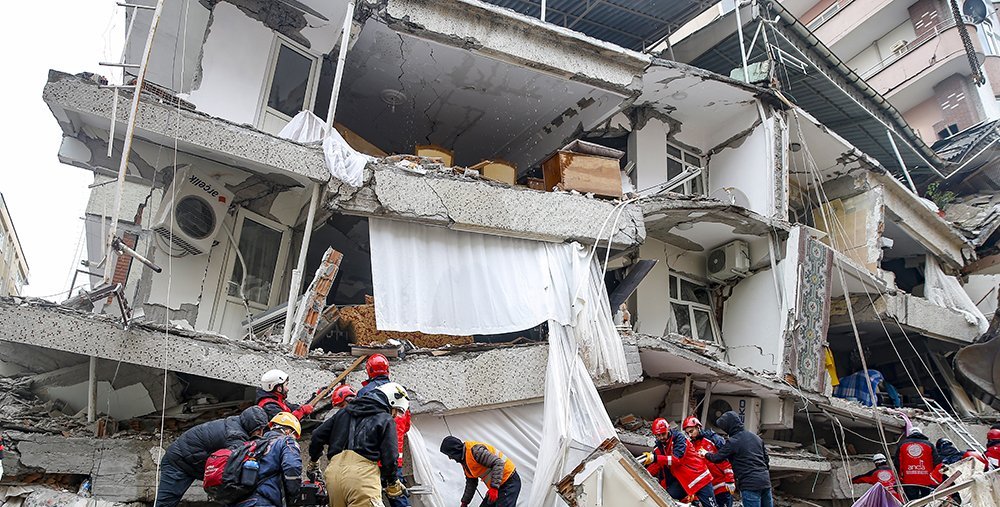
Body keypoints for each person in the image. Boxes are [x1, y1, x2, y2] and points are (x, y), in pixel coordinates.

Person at [307, 382, 407, 507]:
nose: (394, 415)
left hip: (333, 477)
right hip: (362, 477)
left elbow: (317, 435)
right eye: (396, 410)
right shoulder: (385, 418)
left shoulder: (342, 413)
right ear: (391, 402)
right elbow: (390, 456)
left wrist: (314, 462)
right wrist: (392, 482)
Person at [155, 406, 269, 507]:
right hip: (178, 462)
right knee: (165, 503)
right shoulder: (235, 435)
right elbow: (236, 465)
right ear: (251, 425)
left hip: (192, 462)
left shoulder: (236, 423)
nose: (260, 433)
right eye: (259, 429)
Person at [356, 355, 411, 507]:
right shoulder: (400, 392)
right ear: (387, 370)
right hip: (394, 456)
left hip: (371, 457)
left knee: (371, 498)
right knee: (398, 495)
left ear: (369, 371)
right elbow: (406, 426)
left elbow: (358, 425)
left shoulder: (365, 393)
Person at [639, 418, 716, 507]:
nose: (661, 437)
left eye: (663, 434)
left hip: (699, 477)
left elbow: (676, 460)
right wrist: (643, 474)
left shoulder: (679, 439)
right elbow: (657, 464)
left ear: (668, 430)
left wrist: (655, 458)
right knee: (666, 498)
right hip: (683, 480)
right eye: (658, 435)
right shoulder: (660, 446)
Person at [704, 411, 773, 507]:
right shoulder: (756, 437)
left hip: (749, 484)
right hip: (765, 481)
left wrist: (705, 454)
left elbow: (717, 458)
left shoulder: (733, 441)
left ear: (729, 426)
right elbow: (766, 460)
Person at [235, 412, 303, 507]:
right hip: (263, 502)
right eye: (295, 436)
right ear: (288, 431)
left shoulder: (252, 444)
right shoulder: (286, 441)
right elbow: (292, 467)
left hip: (240, 502)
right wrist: (294, 497)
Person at [440, 436, 520, 507]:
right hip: (498, 486)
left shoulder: (475, 451)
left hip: (509, 481)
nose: (450, 458)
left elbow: (498, 463)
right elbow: (471, 483)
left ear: (454, 450)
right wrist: (465, 502)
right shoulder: (465, 461)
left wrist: (494, 488)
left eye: (449, 454)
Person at [683, 416, 735, 507]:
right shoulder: (692, 446)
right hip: (708, 489)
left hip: (722, 485)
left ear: (698, 427)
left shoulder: (712, 439)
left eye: (691, 431)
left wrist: (730, 480)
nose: (690, 435)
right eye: (688, 433)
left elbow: (726, 458)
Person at [894, 427, 939, 499]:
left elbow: (897, 463)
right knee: (927, 501)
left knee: (912, 502)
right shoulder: (929, 445)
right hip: (927, 480)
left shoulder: (902, 445)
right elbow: (936, 463)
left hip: (908, 480)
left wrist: (899, 478)